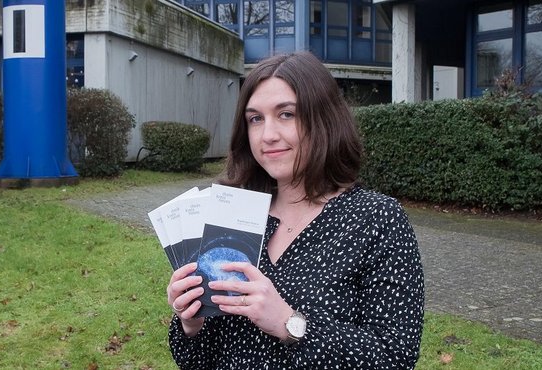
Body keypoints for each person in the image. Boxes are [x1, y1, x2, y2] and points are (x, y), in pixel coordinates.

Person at [166, 51, 424, 369]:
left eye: (286, 114)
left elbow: (395, 359)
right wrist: (191, 324)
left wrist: (290, 325)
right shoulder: (233, 215)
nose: (268, 135)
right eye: (255, 118)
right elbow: (200, 362)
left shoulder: (378, 220)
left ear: (324, 119)